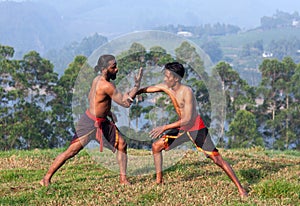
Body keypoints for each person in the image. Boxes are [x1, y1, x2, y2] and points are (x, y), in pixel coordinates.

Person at [136, 62, 248, 198]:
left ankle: (241, 189)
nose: (165, 79)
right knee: (156, 146)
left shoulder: (187, 92)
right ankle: (159, 182)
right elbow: (148, 89)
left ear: (176, 78)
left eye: (167, 76)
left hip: (195, 127)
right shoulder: (167, 87)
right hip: (182, 128)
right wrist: (136, 89)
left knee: (217, 159)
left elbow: (188, 119)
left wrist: (164, 127)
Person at [40, 54, 143, 186]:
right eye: (113, 67)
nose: (117, 69)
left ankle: (123, 180)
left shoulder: (97, 79)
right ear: (105, 69)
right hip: (91, 123)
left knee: (121, 144)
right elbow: (125, 102)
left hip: (99, 120)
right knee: (71, 151)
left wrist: (107, 112)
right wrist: (137, 85)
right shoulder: (107, 85)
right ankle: (45, 179)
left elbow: (92, 98)